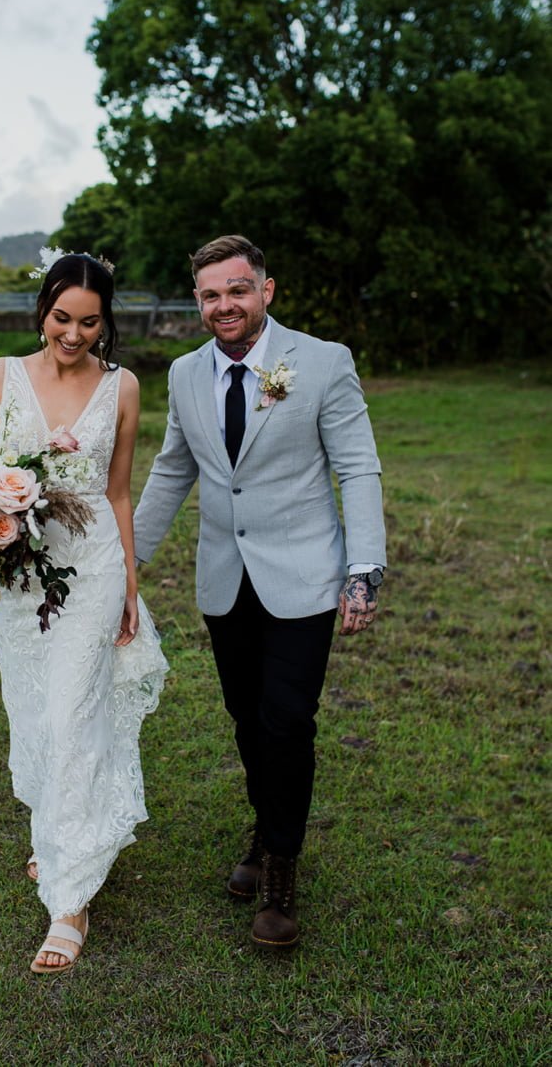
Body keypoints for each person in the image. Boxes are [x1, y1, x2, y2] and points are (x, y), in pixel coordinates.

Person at [133, 234, 386, 950]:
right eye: (210, 294)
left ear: (265, 291)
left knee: (288, 721)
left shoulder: (324, 362)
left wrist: (364, 568)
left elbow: (358, 467)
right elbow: (173, 468)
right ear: (198, 302)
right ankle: (267, 824)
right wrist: (129, 558)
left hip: (305, 575)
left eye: (238, 290)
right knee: (247, 718)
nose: (225, 305)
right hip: (224, 577)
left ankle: (280, 866)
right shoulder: (185, 373)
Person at [0, 251, 167, 975]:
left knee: (72, 716)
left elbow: (118, 492)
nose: (74, 335)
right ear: (43, 311)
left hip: (92, 570)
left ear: (105, 322)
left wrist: (130, 584)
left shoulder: (123, 386)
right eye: (62, 318)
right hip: (17, 575)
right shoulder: (1, 375)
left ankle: (71, 900)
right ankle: (54, 831)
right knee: (32, 713)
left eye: (90, 322)